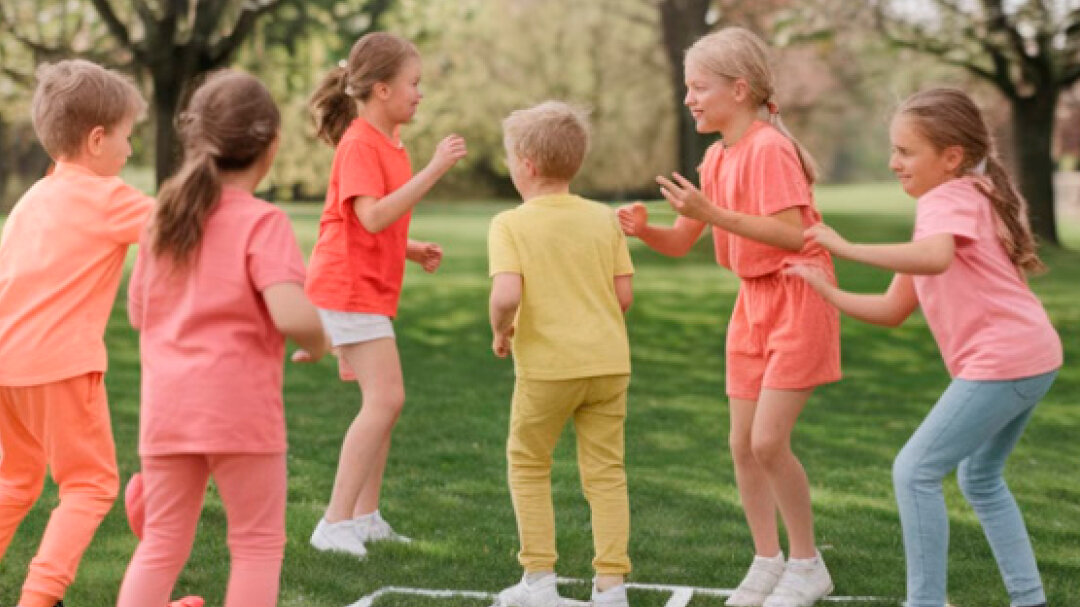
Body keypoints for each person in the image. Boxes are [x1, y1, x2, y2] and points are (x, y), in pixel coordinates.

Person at [786, 87, 1060, 607]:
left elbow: (932, 258)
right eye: (892, 150)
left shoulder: (947, 200)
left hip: (1004, 360)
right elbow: (893, 309)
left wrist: (844, 246)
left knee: (915, 472)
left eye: (905, 152)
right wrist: (826, 290)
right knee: (979, 479)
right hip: (1032, 357)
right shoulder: (970, 196)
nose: (893, 163)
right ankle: (1030, 601)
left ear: (950, 157)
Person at [617, 27, 838, 607]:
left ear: (739, 90)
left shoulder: (769, 147)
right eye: (688, 87)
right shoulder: (716, 156)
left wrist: (711, 210)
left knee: (769, 441)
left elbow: (793, 233)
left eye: (699, 87)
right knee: (742, 444)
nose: (689, 98)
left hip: (799, 294)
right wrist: (646, 232)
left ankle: (807, 563)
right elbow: (683, 241)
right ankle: (767, 559)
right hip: (752, 303)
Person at [116, 70, 329, 607]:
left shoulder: (161, 220)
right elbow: (290, 313)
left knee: (161, 544)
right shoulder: (264, 223)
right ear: (271, 146)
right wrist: (320, 340)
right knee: (257, 546)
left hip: (166, 411)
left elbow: (138, 314)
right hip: (240, 414)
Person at [302, 31, 466, 557]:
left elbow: (363, 222)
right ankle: (333, 524)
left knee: (383, 404)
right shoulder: (359, 143)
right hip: (345, 288)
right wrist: (436, 170)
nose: (419, 94)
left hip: (364, 287)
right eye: (412, 84)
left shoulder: (387, 142)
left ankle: (364, 517)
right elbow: (370, 217)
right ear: (380, 89)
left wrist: (411, 248)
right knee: (386, 398)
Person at [0, 59, 151, 607]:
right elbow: (181, 224)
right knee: (89, 485)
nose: (130, 152)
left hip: (6, 366)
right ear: (96, 140)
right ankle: (38, 599)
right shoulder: (105, 196)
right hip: (59, 365)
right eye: (127, 138)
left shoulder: (33, 200)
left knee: (17, 480)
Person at [489, 101, 635, 607]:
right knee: (607, 473)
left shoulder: (510, 224)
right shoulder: (603, 218)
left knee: (529, 462)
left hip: (549, 369)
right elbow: (623, 297)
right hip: (610, 364)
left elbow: (506, 295)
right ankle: (612, 587)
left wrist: (501, 330)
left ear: (526, 163)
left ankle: (539, 581)